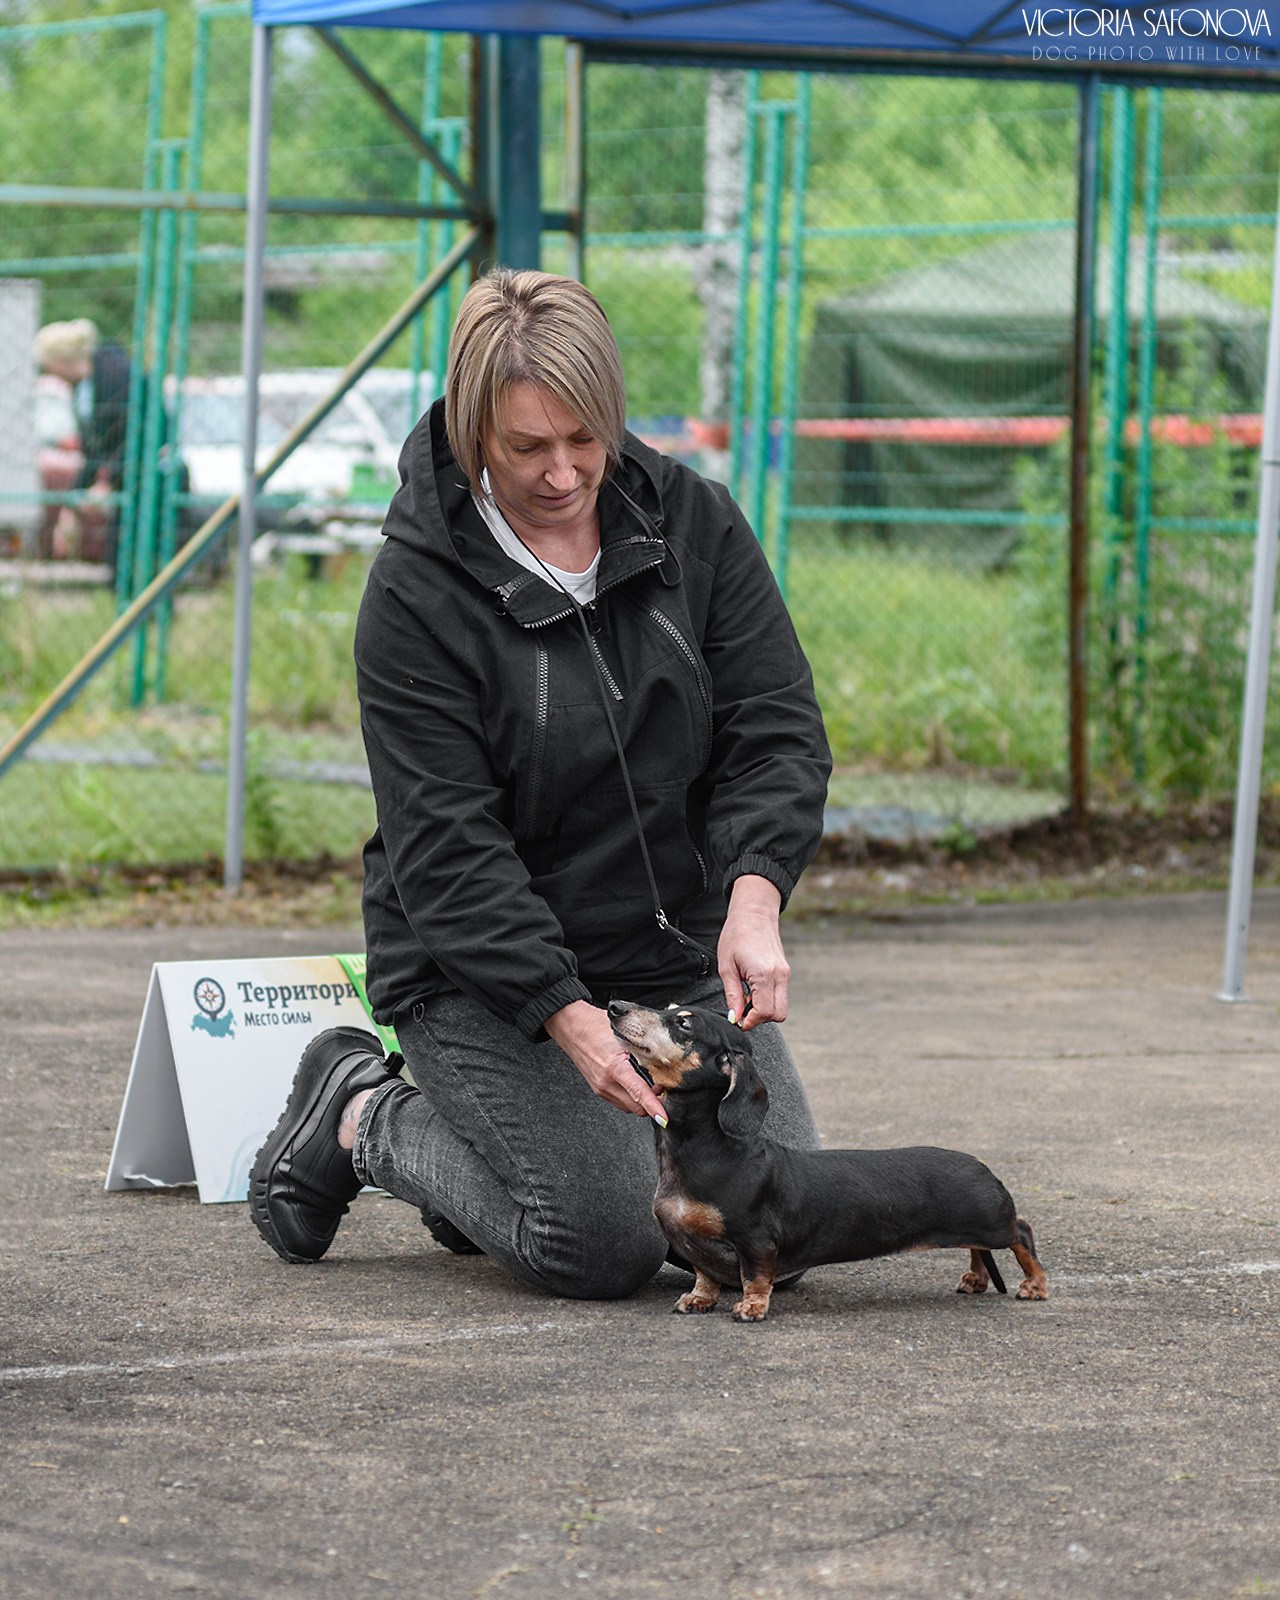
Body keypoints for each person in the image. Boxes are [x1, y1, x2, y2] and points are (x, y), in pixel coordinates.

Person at [249, 268, 833, 1300]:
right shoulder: (414, 591)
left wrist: (752, 898)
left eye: (584, 440)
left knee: (769, 1223)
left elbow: (774, 727)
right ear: (475, 427)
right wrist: (567, 1017)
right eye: (526, 447)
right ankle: (363, 1111)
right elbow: (444, 846)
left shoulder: (693, 524)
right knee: (601, 1240)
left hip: (667, 951)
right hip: (482, 968)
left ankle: (493, 1172)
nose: (563, 474)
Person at [33, 319, 132, 570]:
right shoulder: (83, 387)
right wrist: (73, 503)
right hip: (123, 483)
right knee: (119, 566)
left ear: (60, 359)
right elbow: (93, 450)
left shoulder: (115, 374)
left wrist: (107, 482)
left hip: (144, 478)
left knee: (130, 563)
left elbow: (130, 433)